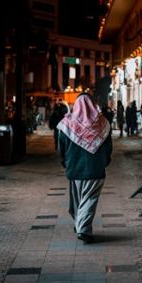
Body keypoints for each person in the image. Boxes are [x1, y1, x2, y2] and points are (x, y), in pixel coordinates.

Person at [56, 93, 112, 243]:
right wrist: (105, 161)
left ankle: (82, 227)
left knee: (78, 200)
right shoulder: (103, 124)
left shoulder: (67, 125)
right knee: (89, 199)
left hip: (74, 169)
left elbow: (61, 148)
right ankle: (83, 228)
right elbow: (108, 148)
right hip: (96, 170)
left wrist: (65, 162)